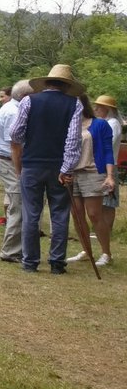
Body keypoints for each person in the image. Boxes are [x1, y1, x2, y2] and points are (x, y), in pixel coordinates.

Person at [9, 64, 84, 274]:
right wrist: (67, 168)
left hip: (32, 164)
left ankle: (30, 261)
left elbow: (15, 134)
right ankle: (57, 262)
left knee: (31, 213)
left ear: (46, 83)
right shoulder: (74, 104)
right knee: (60, 214)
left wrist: (30, 145)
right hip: (58, 165)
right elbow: (73, 140)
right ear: (67, 86)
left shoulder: (29, 100)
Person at [65, 94, 115, 266]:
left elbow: (108, 151)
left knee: (94, 214)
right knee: (76, 214)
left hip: (93, 171)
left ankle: (106, 253)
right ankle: (87, 250)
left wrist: (109, 175)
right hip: (73, 173)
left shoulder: (100, 124)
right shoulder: (71, 125)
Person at [0, 80, 33, 263]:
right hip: (11, 162)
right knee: (18, 205)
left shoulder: (10, 107)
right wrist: (20, 170)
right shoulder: (14, 112)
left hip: (9, 161)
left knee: (18, 205)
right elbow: (15, 144)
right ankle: (10, 251)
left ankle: (18, 248)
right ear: (25, 97)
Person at [92, 95, 121, 266]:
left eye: (99, 107)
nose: (96, 110)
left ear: (108, 109)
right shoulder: (105, 123)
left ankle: (106, 244)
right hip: (101, 166)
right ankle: (101, 239)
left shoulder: (113, 124)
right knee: (100, 205)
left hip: (109, 166)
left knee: (107, 205)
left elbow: (106, 144)